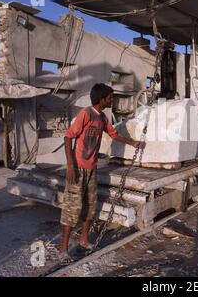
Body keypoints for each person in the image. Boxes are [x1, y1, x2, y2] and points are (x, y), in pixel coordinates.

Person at [59, 83, 144, 262]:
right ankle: (63, 249)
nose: (111, 100)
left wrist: (133, 143)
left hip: (92, 169)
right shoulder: (86, 114)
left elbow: (113, 135)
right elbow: (68, 137)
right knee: (71, 209)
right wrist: (70, 165)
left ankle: (83, 241)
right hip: (78, 169)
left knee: (90, 208)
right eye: (110, 97)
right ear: (102, 98)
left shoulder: (103, 118)